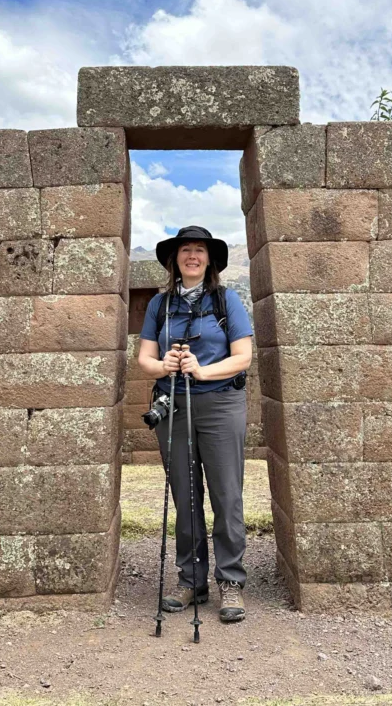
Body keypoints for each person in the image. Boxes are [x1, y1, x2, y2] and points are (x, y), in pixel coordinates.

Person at [137, 225, 253, 623]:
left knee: (226, 495)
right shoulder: (160, 305)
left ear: (210, 259)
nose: (192, 256)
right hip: (175, 408)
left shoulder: (227, 300)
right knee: (185, 498)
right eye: (185, 249)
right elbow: (144, 359)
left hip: (221, 404)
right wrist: (163, 365)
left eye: (199, 250)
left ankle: (230, 581)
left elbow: (243, 356)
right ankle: (191, 580)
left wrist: (203, 372)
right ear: (175, 259)